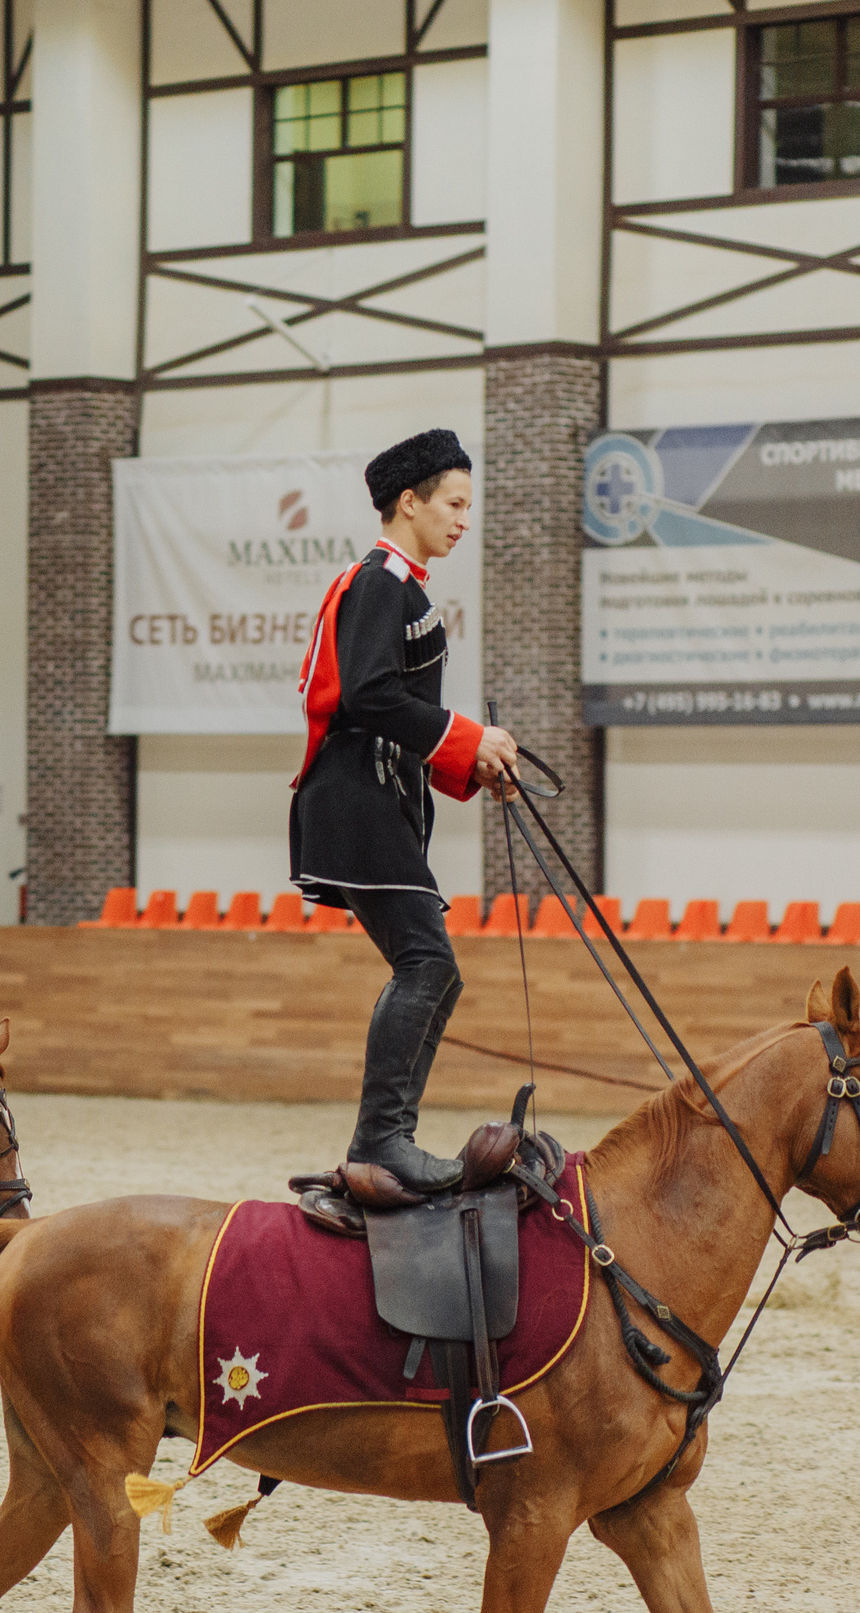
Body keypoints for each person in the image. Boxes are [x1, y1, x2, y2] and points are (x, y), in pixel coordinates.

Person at [289, 429, 518, 1193]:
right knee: (428, 963)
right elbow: (369, 696)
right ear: (409, 502)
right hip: (355, 806)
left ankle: (384, 1138)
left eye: (467, 506)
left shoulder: (402, 583)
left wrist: (470, 760)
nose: (462, 518)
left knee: (436, 972)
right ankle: (382, 1141)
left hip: (372, 802)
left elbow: (395, 710)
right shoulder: (382, 581)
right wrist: (468, 736)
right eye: (453, 503)